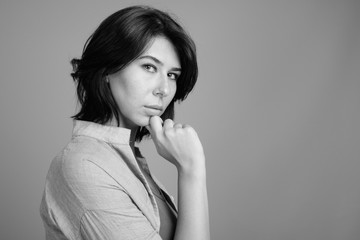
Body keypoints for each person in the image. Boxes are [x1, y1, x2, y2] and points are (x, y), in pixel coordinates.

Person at [40, 5, 210, 240]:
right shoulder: (83, 166)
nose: (164, 89)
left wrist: (192, 168)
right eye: (149, 67)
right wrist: (192, 169)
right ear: (108, 68)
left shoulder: (126, 160)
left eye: (172, 75)